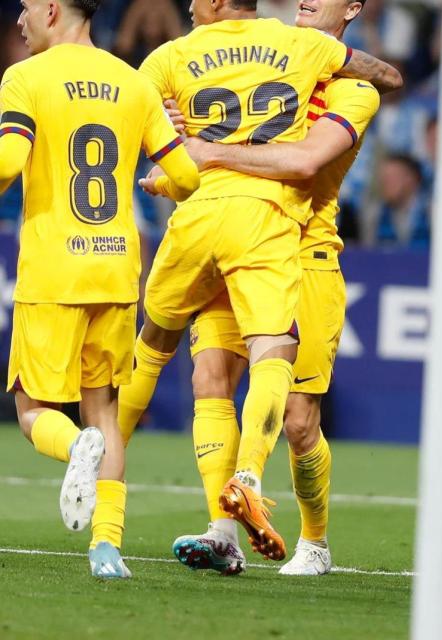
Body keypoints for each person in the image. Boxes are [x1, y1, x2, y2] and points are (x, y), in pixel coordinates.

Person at [118, 0, 401, 563]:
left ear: (351, 10)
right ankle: (223, 531)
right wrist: (171, 128)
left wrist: (208, 150)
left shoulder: (353, 92)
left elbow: (302, 161)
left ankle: (314, 541)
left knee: (299, 421)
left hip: (306, 252)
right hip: (236, 236)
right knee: (208, 378)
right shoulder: (267, 59)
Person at [0, 0, 199, 577]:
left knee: (34, 409)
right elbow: (186, 175)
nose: (19, 19)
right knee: (104, 412)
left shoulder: (24, 77)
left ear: (54, 10)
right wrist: (158, 184)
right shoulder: (132, 82)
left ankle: (73, 451)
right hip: (116, 267)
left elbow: (10, 161)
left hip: (53, 268)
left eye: (26, 7)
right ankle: (108, 549)